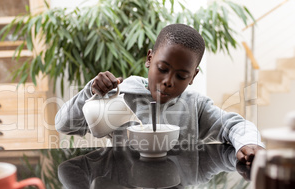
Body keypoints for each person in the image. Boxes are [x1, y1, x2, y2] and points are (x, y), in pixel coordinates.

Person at [55, 23, 264, 165]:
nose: (168, 81)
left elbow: (235, 125)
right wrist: (91, 91)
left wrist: (248, 143)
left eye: (181, 76)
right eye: (162, 69)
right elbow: (64, 125)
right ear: (149, 59)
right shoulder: (122, 95)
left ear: (193, 76)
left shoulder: (196, 106)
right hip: (129, 180)